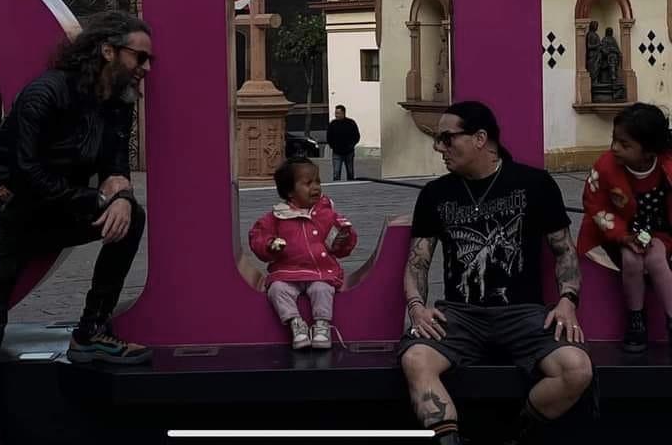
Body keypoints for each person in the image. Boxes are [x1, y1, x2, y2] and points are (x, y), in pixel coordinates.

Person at [0, 11, 152, 444]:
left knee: (133, 216)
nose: (146, 68)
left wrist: (120, 196)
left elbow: (116, 167)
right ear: (108, 51)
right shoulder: (47, 93)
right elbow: (27, 172)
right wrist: (96, 200)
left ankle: (91, 331)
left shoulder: (118, 105)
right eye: (140, 57)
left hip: (51, 212)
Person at [399, 101, 593, 444]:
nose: (438, 147)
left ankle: (515, 433)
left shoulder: (535, 184)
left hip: (524, 314)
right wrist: (417, 307)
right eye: (438, 139)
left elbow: (564, 250)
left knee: (576, 368)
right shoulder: (435, 194)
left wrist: (567, 301)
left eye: (446, 138)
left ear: (480, 138)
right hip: (460, 315)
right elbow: (418, 261)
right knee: (416, 359)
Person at [579, 103, 672, 352]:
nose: (614, 148)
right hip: (621, 233)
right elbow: (594, 203)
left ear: (649, 151)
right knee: (631, 259)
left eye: (624, 144)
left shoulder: (668, 165)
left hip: (660, 231)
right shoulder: (605, 167)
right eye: (614, 139)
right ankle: (636, 319)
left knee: (656, 258)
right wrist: (623, 236)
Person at [249, 157, 357, 349]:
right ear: (290, 192)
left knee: (322, 289)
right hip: (287, 273)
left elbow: (341, 246)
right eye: (308, 183)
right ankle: (296, 323)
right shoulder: (277, 217)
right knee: (277, 290)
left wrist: (344, 238)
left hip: (320, 272)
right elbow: (258, 236)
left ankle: (322, 324)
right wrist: (269, 245)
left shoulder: (327, 214)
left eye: (317, 181)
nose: (315, 187)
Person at [326, 105, 360, 181]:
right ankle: (337, 186)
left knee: (350, 172)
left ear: (343, 113)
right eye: (335, 113)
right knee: (336, 173)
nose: (336, 115)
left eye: (338, 113)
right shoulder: (333, 124)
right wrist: (332, 146)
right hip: (337, 153)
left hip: (349, 152)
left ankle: (351, 185)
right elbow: (329, 137)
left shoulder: (351, 123)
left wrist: (351, 145)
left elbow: (356, 136)